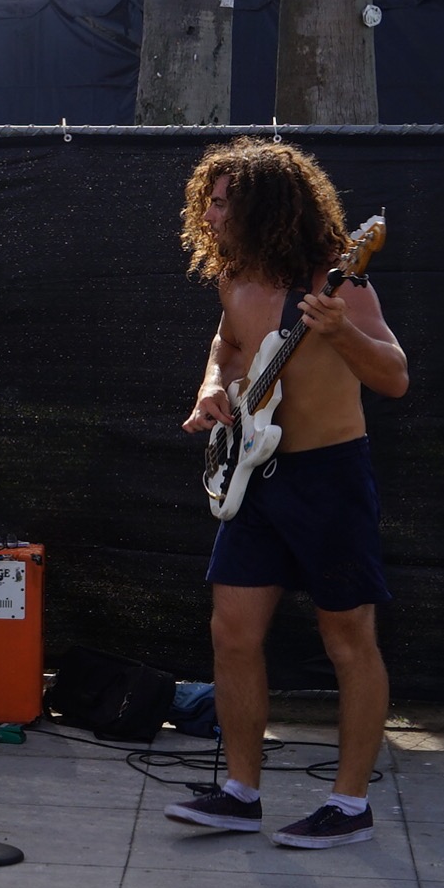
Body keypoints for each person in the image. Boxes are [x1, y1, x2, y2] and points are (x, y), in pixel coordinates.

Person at [170, 137, 409, 847]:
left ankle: (350, 804)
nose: (210, 215)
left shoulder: (339, 282)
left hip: (330, 476)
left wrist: (341, 335)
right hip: (255, 476)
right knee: (231, 632)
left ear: (267, 207)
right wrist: (212, 387)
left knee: (348, 637)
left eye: (223, 203)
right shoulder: (235, 278)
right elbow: (227, 346)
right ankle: (240, 792)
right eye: (208, 202)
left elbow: (395, 376)